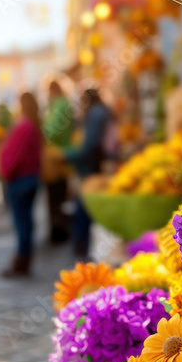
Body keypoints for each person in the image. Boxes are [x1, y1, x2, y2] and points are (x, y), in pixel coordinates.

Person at [0, 92, 43, 277]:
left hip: (21, 179)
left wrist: (6, 172)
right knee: (26, 220)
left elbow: (15, 155)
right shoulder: (33, 125)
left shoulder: (24, 126)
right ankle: (24, 257)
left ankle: (22, 259)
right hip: (31, 177)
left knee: (21, 221)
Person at [64, 89, 110, 260]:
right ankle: (84, 245)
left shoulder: (96, 113)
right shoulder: (101, 111)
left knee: (84, 206)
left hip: (93, 167)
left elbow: (89, 145)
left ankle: (82, 245)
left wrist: (67, 156)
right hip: (97, 165)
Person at [42, 81, 74, 244]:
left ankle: (60, 230)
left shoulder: (60, 104)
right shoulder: (59, 104)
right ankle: (60, 229)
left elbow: (53, 130)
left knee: (57, 196)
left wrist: (41, 133)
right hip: (60, 155)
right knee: (59, 195)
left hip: (58, 156)